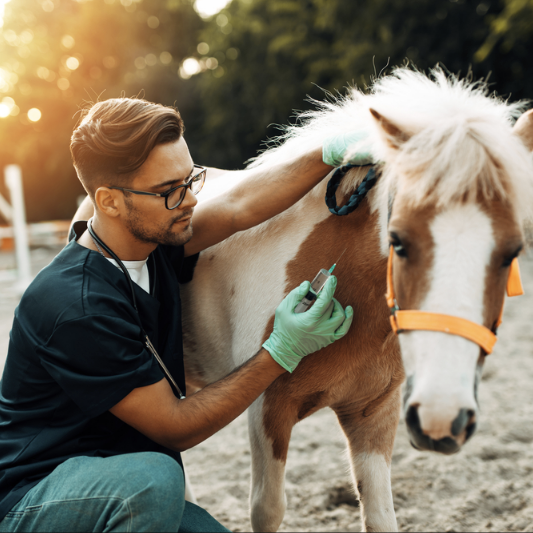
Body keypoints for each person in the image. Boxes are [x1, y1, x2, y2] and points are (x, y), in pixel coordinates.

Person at [0, 97, 366, 532]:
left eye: (190, 179)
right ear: (110, 201)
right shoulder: (76, 306)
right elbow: (174, 427)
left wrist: (326, 153)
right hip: (37, 498)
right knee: (155, 479)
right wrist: (282, 349)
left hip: (120, 483)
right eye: (169, 190)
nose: (190, 199)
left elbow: (238, 209)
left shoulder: (148, 244)